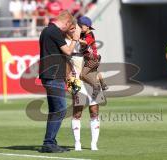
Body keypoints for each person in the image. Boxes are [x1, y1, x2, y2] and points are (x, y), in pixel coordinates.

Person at [39, 10, 81, 153]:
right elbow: (68, 51)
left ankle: (50, 142)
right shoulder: (55, 31)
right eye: (69, 27)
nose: (69, 30)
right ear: (66, 22)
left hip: (50, 75)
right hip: (53, 76)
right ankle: (49, 143)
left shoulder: (47, 31)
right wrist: (75, 38)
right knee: (61, 109)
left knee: (55, 110)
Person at [65, 22, 106, 151]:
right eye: (74, 28)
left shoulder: (88, 39)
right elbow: (65, 61)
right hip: (75, 79)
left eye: (77, 28)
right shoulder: (67, 42)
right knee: (77, 112)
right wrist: (68, 79)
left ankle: (94, 144)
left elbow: (94, 60)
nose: (75, 30)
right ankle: (77, 143)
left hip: (90, 77)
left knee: (94, 111)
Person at [78, 16, 108, 98]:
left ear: (87, 26)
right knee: (95, 72)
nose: (80, 27)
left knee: (82, 75)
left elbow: (85, 42)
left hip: (92, 58)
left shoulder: (89, 34)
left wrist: (77, 39)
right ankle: (103, 84)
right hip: (92, 58)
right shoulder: (83, 33)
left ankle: (96, 86)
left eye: (81, 26)